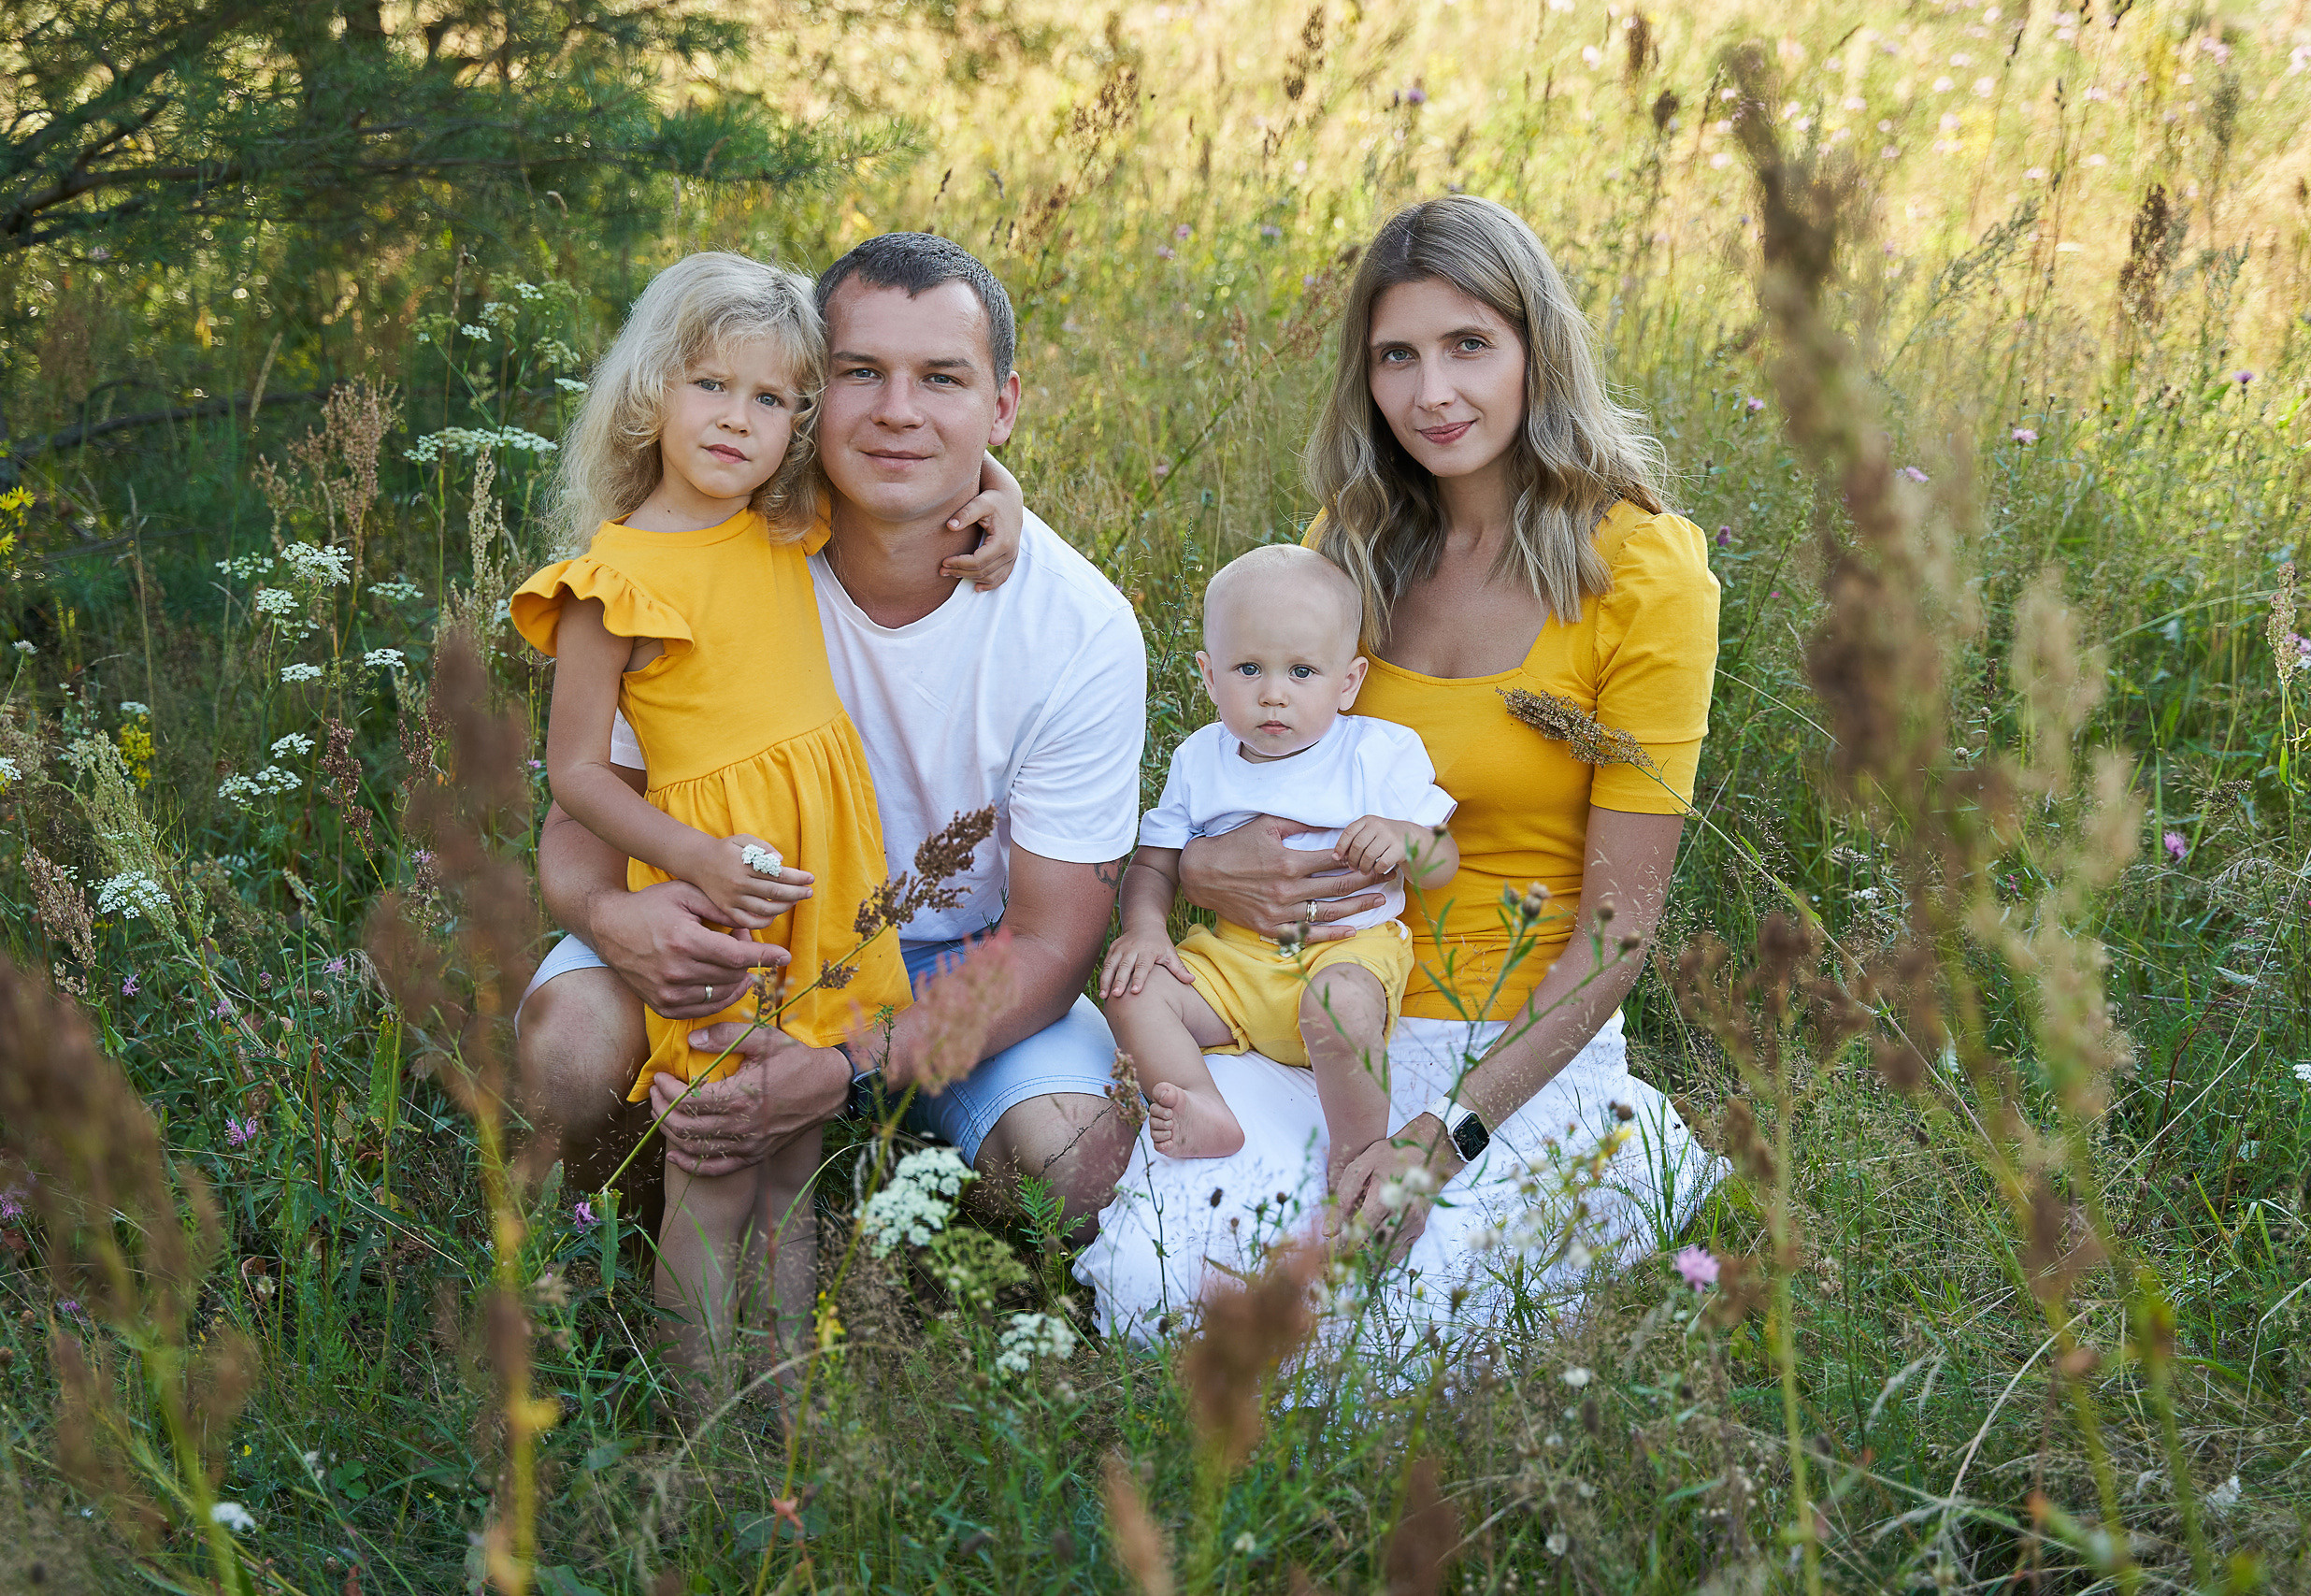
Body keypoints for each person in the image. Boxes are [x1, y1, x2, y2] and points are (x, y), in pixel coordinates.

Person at [1077, 195, 1725, 1352]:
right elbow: (1248, 765)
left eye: (1470, 345)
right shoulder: (1352, 540)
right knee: (1161, 1293)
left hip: (1501, 1050)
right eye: (1397, 356)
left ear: (1538, 348)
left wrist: (1446, 1137)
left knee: (1374, 1342)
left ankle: (1591, 1162)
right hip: (1307, 1022)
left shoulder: (1642, 569)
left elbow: (1619, 939)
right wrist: (1211, 873)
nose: (1433, 394)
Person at [518, 235, 1147, 1371]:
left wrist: (852, 1059)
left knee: (1080, 1155)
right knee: (568, 1051)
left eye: (942, 380)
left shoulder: (1077, 627)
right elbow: (576, 816)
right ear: (815, 399)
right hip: (726, 931)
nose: (899, 412)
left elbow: (1054, 941)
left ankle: (845, 1294)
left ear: (1002, 405)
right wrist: (621, 924)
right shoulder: (731, 536)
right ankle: (600, 1253)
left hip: (951, 960)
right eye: (862, 373)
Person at [1098, 544, 1457, 1181]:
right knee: (1132, 989)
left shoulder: (1375, 753)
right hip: (1235, 961)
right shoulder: (1200, 761)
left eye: (1301, 672)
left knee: (1340, 1006)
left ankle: (1356, 1156)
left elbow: (1443, 861)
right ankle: (1202, 1102)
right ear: (1208, 676)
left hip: (1346, 951)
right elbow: (1153, 864)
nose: (1272, 695)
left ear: (1348, 683)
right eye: (1247, 669)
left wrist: (1406, 838)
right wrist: (1146, 928)